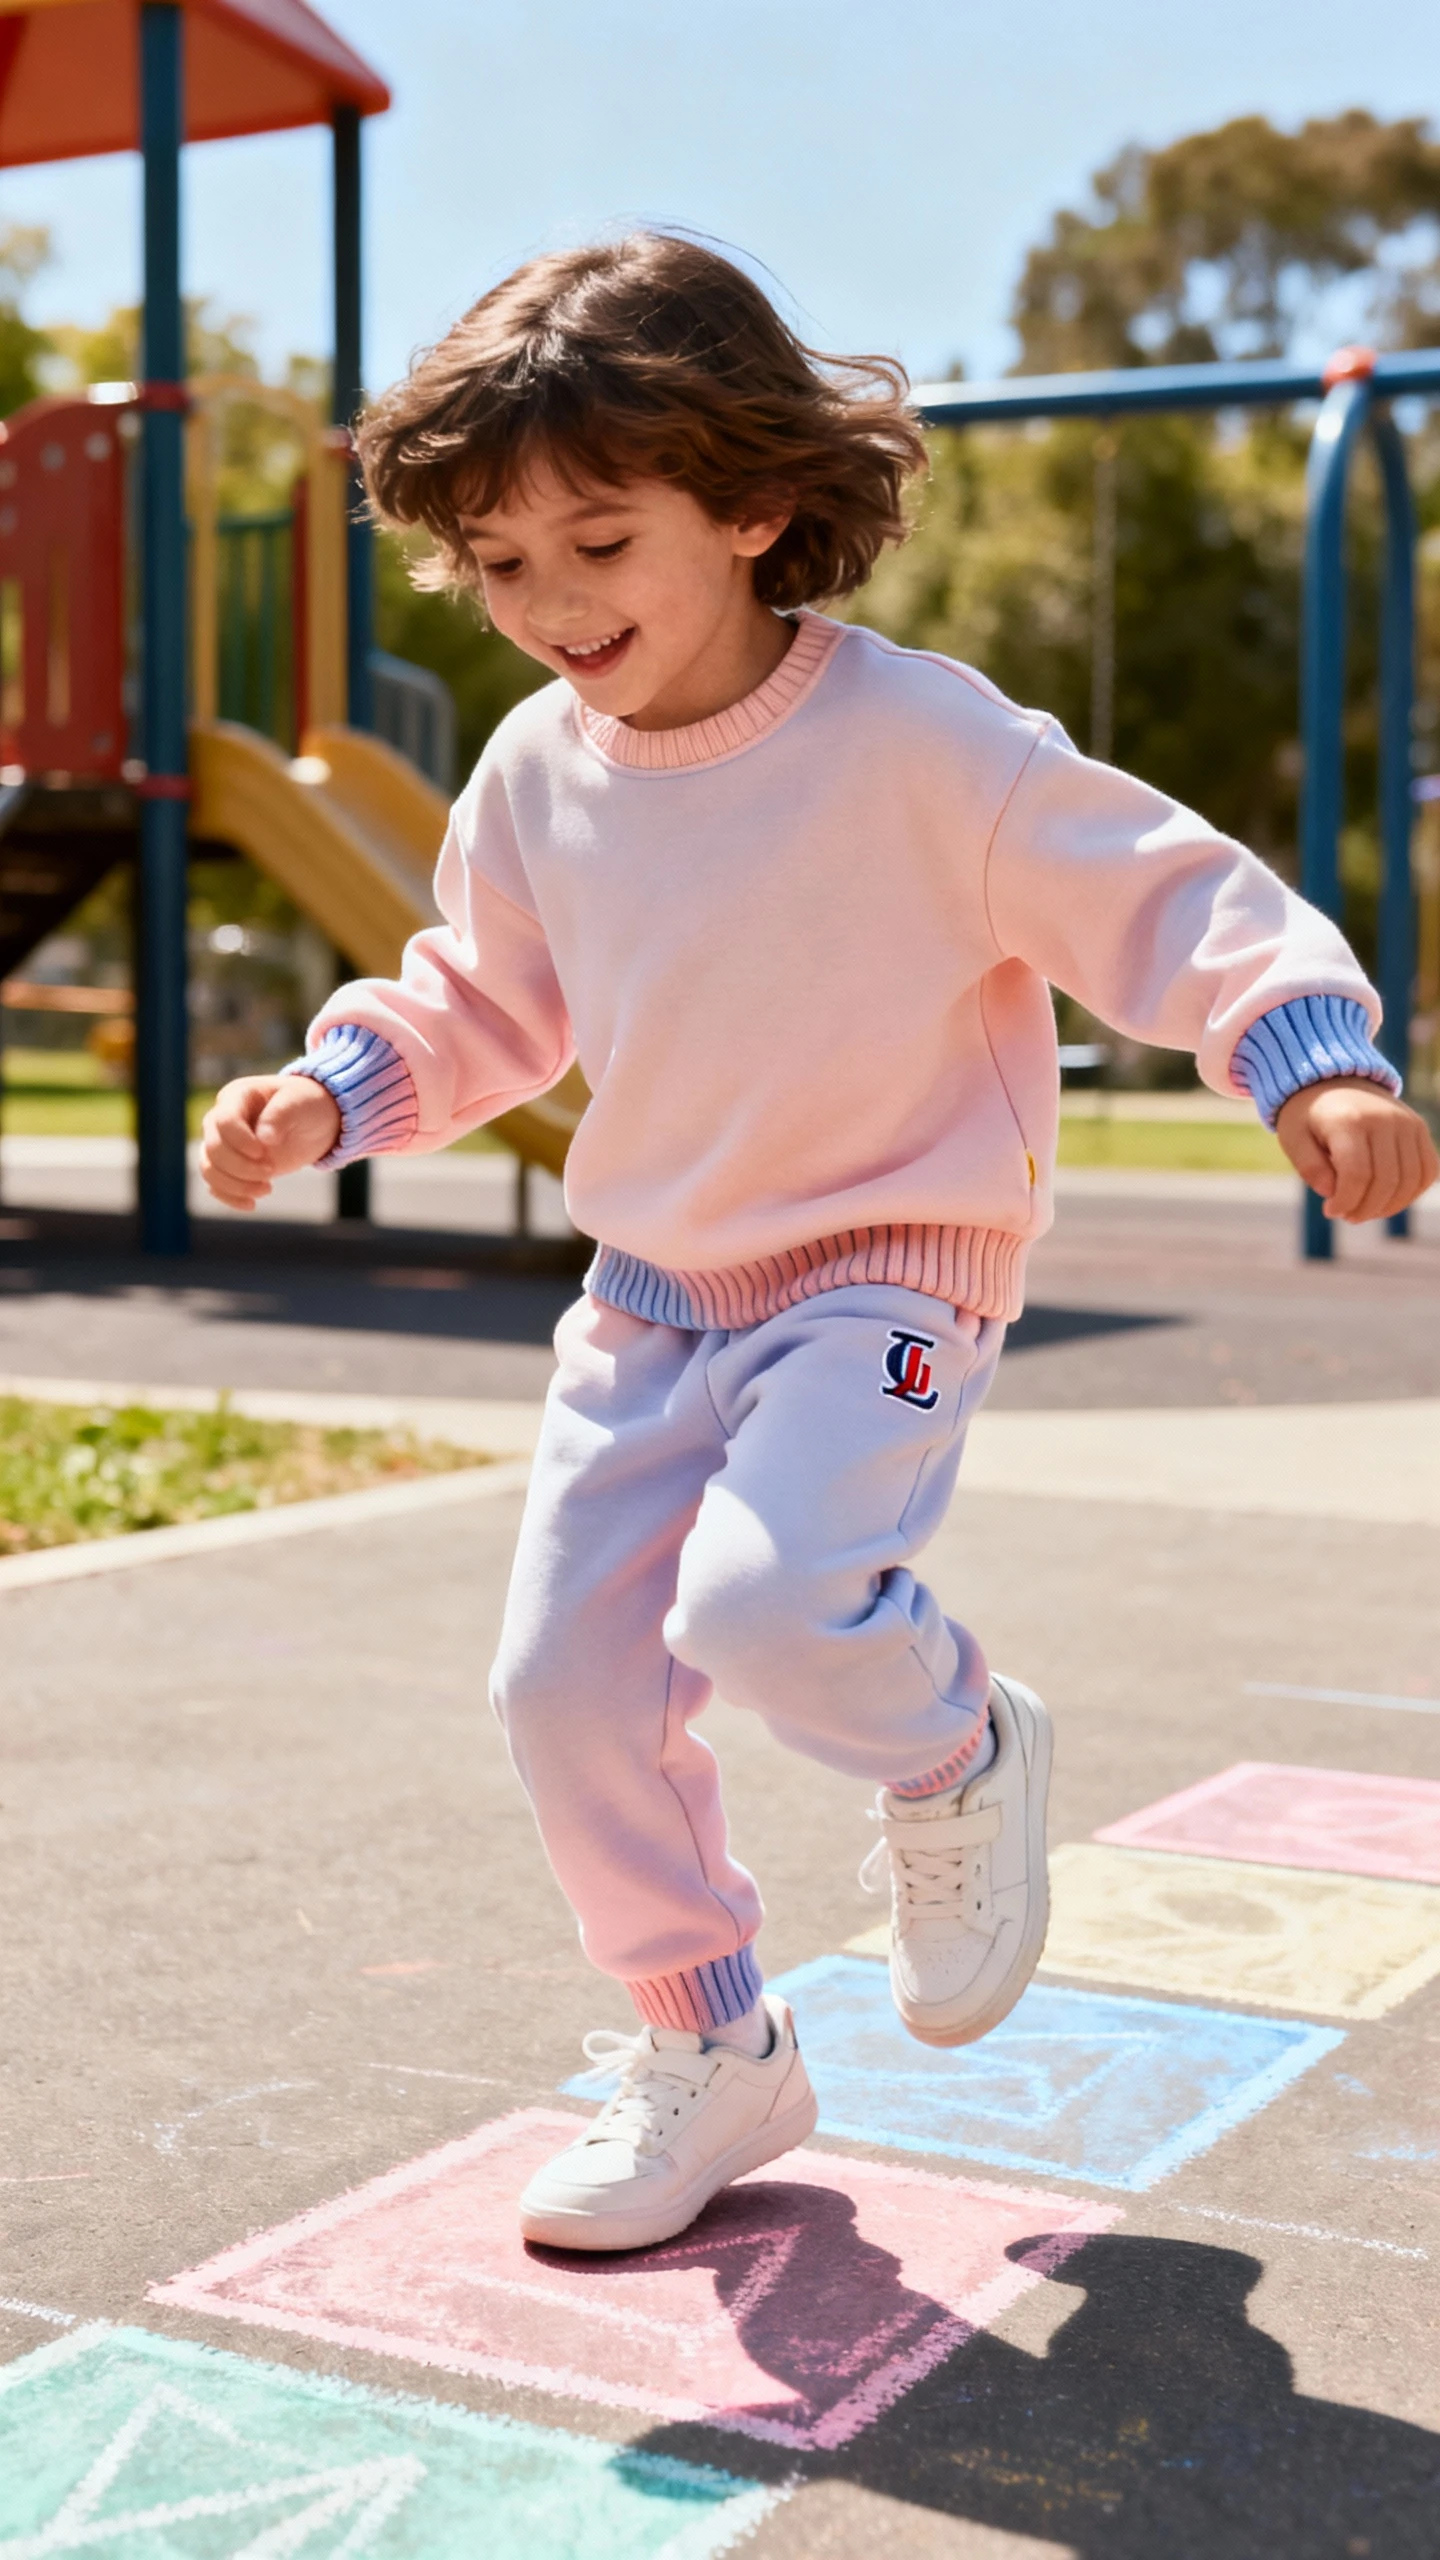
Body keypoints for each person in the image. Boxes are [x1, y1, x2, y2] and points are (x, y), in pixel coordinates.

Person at [200, 233, 1438, 2257]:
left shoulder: (919, 744)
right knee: (561, 1689)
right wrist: (336, 1092)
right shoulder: (533, 772)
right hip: (650, 1294)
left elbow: (1168, 892)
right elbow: (477, 996)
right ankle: (712, 2043)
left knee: (771, 1606)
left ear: (755, 504)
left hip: (886, 1264)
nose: (550, 604)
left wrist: (1306, 1054)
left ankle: (956, 1743)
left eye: (599, 539)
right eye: (503, 564)